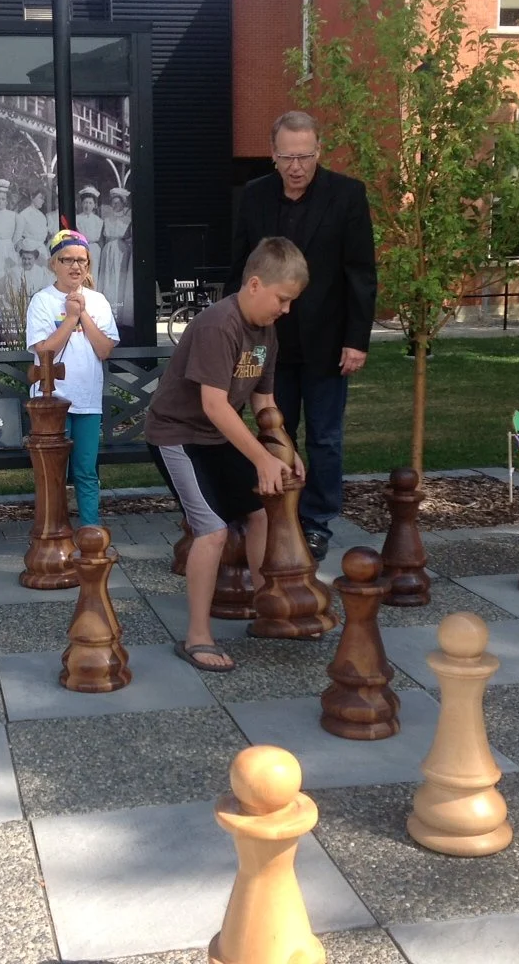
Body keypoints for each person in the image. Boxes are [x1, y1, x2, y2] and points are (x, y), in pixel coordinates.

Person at [146, 237, 309, 672]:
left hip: (215, 437)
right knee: (212, 531)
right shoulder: (220, 324)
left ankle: (266, 605)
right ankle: (197, 637)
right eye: (283, 299)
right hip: (176, 436)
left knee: (259, 513)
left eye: (292, 302)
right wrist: (260, 459)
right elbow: (215, 405)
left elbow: (264, 402)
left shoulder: (266, 330)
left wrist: (285, 451)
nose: (286, 309)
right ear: (255, 285)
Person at [228, 111, 378, 562]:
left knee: (325, 438)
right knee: (273, 428)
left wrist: (357, 339)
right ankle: (275, 512)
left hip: (328, 343)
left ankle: (316, 520)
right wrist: (236, 333)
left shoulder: (347, 195)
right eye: (288, 156)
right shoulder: (253, 197)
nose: (297, 166)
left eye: (306, 156)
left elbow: (361, 274)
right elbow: (238, 268)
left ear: (318, 151)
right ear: (273, 155)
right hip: (265, 342)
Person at [25, 229, 120, 528]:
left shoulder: (99, 301)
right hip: (51, 404)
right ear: (54, 263)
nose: (75, 266)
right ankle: (54, 533)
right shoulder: (41, 301)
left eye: (82, 260)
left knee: (86, 471)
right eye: (67, 259)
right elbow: (44, 352)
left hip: (88, 402)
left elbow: (104, 349)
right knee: (53, 473)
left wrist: (83, 315)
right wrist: (68, 319)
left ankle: (90, 532)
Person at [97, 187, 132, 325]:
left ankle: (119, 313)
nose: (115, 206)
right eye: (113, 203)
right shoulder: (106, 220)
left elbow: (129, 237)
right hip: (108, 250)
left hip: (121, 251)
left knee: (119, 278)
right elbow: (102, 238)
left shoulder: (127, 220)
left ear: (123, 204)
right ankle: (107, 312)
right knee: (108, 278)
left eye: (118, 203)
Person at [13, 187, 52, 263]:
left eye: (43, 199)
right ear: (32, 197)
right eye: (40, 198)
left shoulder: (42, 216)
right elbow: (17, 238)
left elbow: (43, 236)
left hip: (41, 251)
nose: (43, 201)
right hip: (28, 252)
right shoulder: (24, 214)